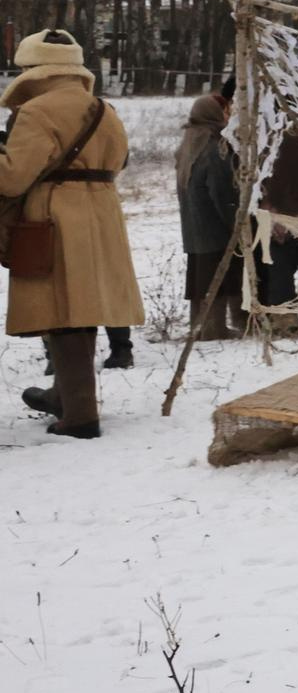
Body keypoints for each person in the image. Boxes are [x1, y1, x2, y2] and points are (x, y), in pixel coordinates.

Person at [0, 31, 145, 439]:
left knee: (62, 311)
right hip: (101, 212)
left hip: (56, 214)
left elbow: (12, 178)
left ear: (34, 70)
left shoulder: (36, 112)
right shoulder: (104, 109)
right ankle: (64, 395)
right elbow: (120, 160)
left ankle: (80, 415)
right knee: (81, 307)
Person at [175, 80, 246, 340]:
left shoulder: (188, 142)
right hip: (214, 225)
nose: (228, 115)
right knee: (218, 276)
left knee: (201, 279)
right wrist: (234, 220)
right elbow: (220, 189)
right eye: (225, 111)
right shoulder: (214, 146)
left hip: (194, 226)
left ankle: (202, 325)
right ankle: (214, 328)